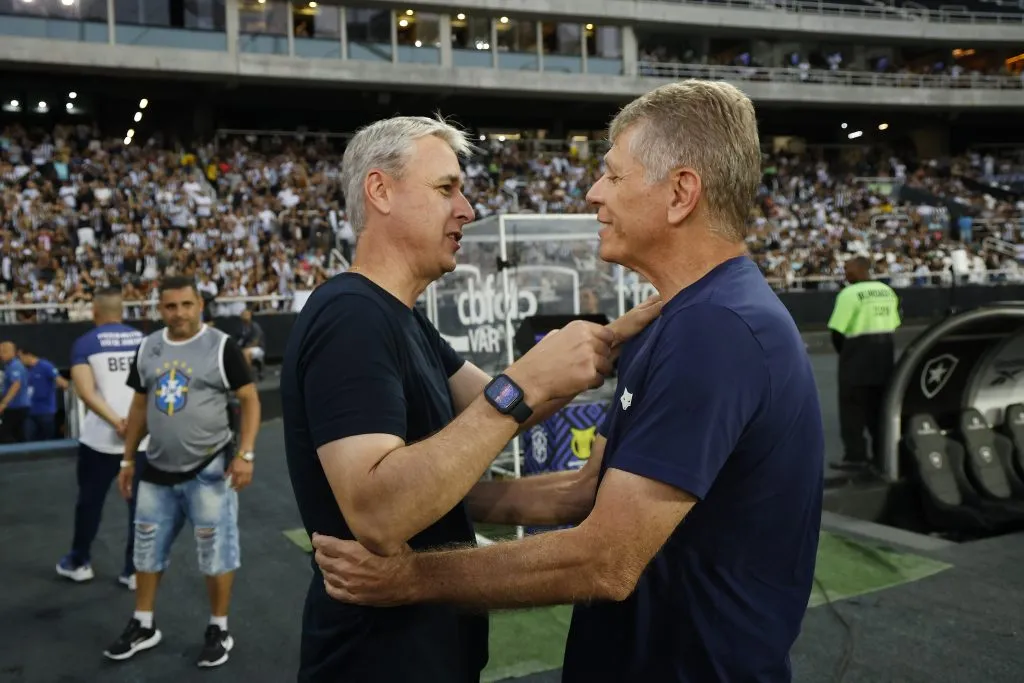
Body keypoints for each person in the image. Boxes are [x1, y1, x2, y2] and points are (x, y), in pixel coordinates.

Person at [312, 81, 826, 683]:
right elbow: (587, 487)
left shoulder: (713, 328)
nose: (592, 193)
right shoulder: (677, 323)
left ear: (681, 193)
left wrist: (412, 577)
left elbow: (606, 558)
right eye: (446, 188)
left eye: (613, 175)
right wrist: (570, 363)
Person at [280, 115, 662, 683]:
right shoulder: (351, 317)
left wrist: (606, 342)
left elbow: (496, 411)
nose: (466, 209)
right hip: (376, 662)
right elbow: (379, 512)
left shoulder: (399, 319)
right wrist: (527, 381)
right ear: (380, 191)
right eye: (445, 188)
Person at [103, 275, 261, 669]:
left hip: (209, 468)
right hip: (155, 468)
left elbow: (250, 400)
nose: (179, 314)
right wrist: (126, 459)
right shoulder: (149, 347)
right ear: (161, 309)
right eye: (170, 306)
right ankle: (144, 623)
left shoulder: (221, 346)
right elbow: (139, 406)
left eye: (186, 305)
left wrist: (245, 454)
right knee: (146, 550)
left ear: (199, 305)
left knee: (216, 552)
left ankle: (218, 627)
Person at [56, 288, 147, 588]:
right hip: (143, 439)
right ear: (122, 312)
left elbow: (85, 392)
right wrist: (132, 424)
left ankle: (79, 561)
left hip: (101, 441)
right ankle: (133, 570)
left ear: (95, 313)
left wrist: (116, 422)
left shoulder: (85, 343)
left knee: (90, 502)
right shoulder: (144, 341)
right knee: (141, 506)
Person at [827, 255, 901, 472]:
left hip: (856, 359)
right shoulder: (887, 291)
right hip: (884, 359)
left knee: (852, 411)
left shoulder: (849, 294)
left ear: (861, 269)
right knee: (878, 410)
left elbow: (837, 331)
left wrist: (846, 353)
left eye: (847, 268)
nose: (845, 272)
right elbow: (894, 323)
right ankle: (882, 456)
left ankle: (856, 457)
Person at [19, 347, 70, 441]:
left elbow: (62, 382)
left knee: (46, 439)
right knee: (29, 438)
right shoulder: (26, 370)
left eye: (21, 357)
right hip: (30, 411)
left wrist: (57, 385)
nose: (20, 360)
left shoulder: (46, 366)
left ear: (28, 355)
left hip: (45, 411)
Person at [0, 341, 31, 443]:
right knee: (18, 434)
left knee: (6, 434)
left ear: (13, 352)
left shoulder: (15, 366)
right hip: (14, 407)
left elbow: (16, 385)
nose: (1, 354)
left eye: (4, 352)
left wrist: (4, 403)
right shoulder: (8, 366)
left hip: (17, 407)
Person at [236, 308, 265, 380]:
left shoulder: (255, 326)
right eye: (243, 314)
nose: (245, 316)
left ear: (250, 316)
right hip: (244, 348)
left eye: (247, 314)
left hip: (258, 348)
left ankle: (247, 376)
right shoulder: (240, 327)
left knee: (246, 353)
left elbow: (255, 342)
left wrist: (243, 349)